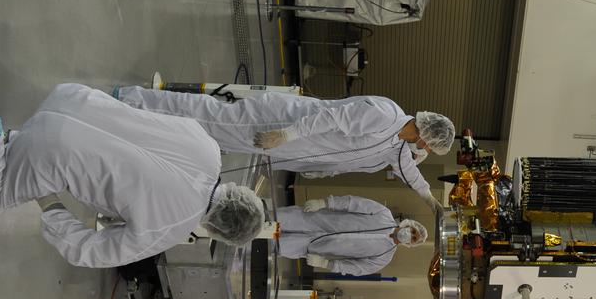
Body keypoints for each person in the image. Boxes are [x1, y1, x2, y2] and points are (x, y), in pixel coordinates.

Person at [0, 84, 265, 268]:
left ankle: (12, 143)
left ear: (239, 191)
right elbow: (92, 251)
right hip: (57, 150)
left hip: (75, 99)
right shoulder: (172, 227)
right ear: (218, 232)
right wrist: (51, 204)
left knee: (29, 154)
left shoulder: (208, 147)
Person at [115, 88, 455, 209]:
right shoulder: (385, 115)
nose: (423, 150)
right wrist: (287, 135)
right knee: (211, 116)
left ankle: (144, 122)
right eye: (428, 146)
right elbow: (330, 117)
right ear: (425, 135)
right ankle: (133, 101)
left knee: (211, 133)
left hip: (285, 145)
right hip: (281, 124)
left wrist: (428, 198)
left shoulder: (396, 142)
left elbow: (406, 169)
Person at [278, 196, 428, 276]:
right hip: (313, 219)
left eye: (413, 238)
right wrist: (324, 202)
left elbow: (357, 268)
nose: (409, 235)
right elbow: (353, 203)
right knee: (273, 218)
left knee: (272, 246)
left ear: (411, 245)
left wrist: (326, 264)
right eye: (413, 231)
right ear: (409, 224)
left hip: (313, 247)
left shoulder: (384, 257)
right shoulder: (383, 213)